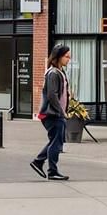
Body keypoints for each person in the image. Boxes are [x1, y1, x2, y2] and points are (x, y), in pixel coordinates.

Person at [30, 44, 72, 181]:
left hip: (55, 113)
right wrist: (61, 112)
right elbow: (52, 95)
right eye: (66, 56)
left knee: (55, 141)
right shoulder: (53, 73)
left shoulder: (59, 72)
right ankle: (52, 171)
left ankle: (38, 162)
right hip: (52, 114)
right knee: (56, 143)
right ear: (58, 57)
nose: (69, 59)